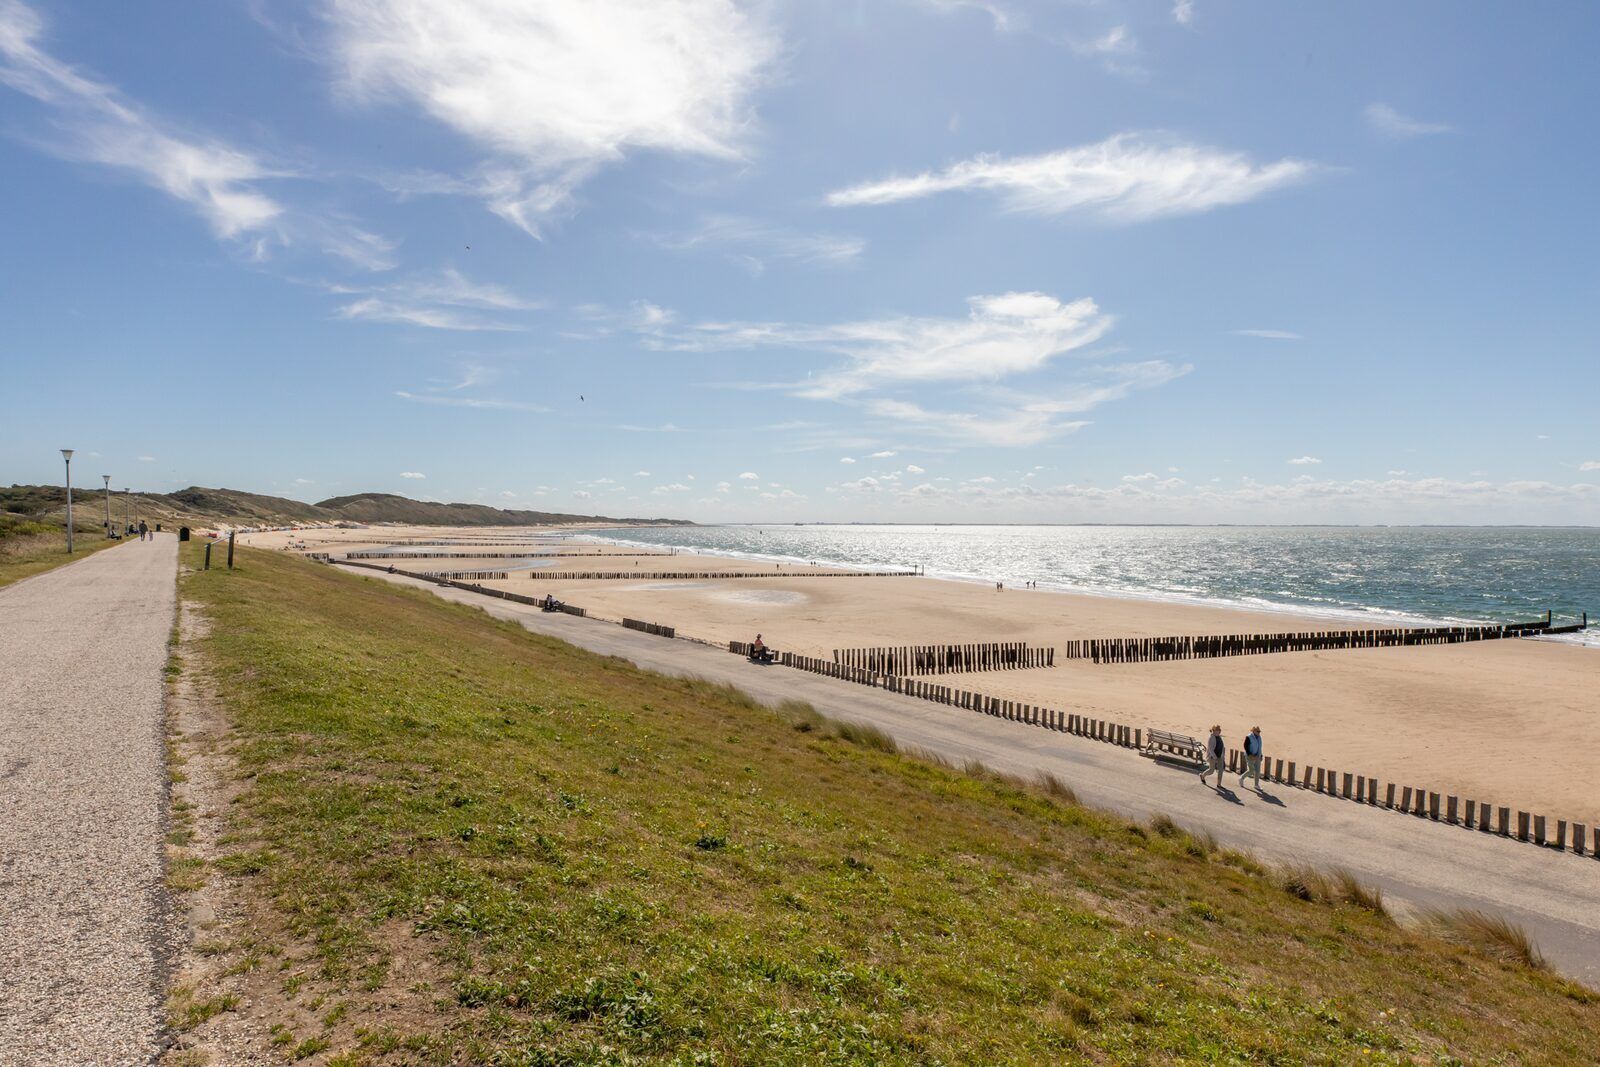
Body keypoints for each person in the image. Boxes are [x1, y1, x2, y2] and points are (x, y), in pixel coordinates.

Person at [1198, 724, 1226, 790]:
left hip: (1220, 757)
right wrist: (1215, 757)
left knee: (1220, 770)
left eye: (1219, 730)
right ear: (1213, 730)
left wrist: (1222, 755)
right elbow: (1210, 749)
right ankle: (1202, 775)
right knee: (1211, 771)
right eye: (1217, 730)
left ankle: (1219, 784)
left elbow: (1222, 747)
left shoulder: (1219, 737)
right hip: (1212, 757)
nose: (1219, 731)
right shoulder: (1211, 737)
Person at [1240, 726, 1264, 792]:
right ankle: (1241, 778)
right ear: (1253, 731)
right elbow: (1245, 746)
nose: (1259, 733)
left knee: (1257, 770)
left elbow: (1260, 747)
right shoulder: (1249, 737)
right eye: (1257, 731)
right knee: (1251, 770)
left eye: (1259, 731)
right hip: (1249, 756)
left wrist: (1261, 755)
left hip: (1257, 756)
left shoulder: (1259, 738)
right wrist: (1250, 755)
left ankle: (1256, 785)